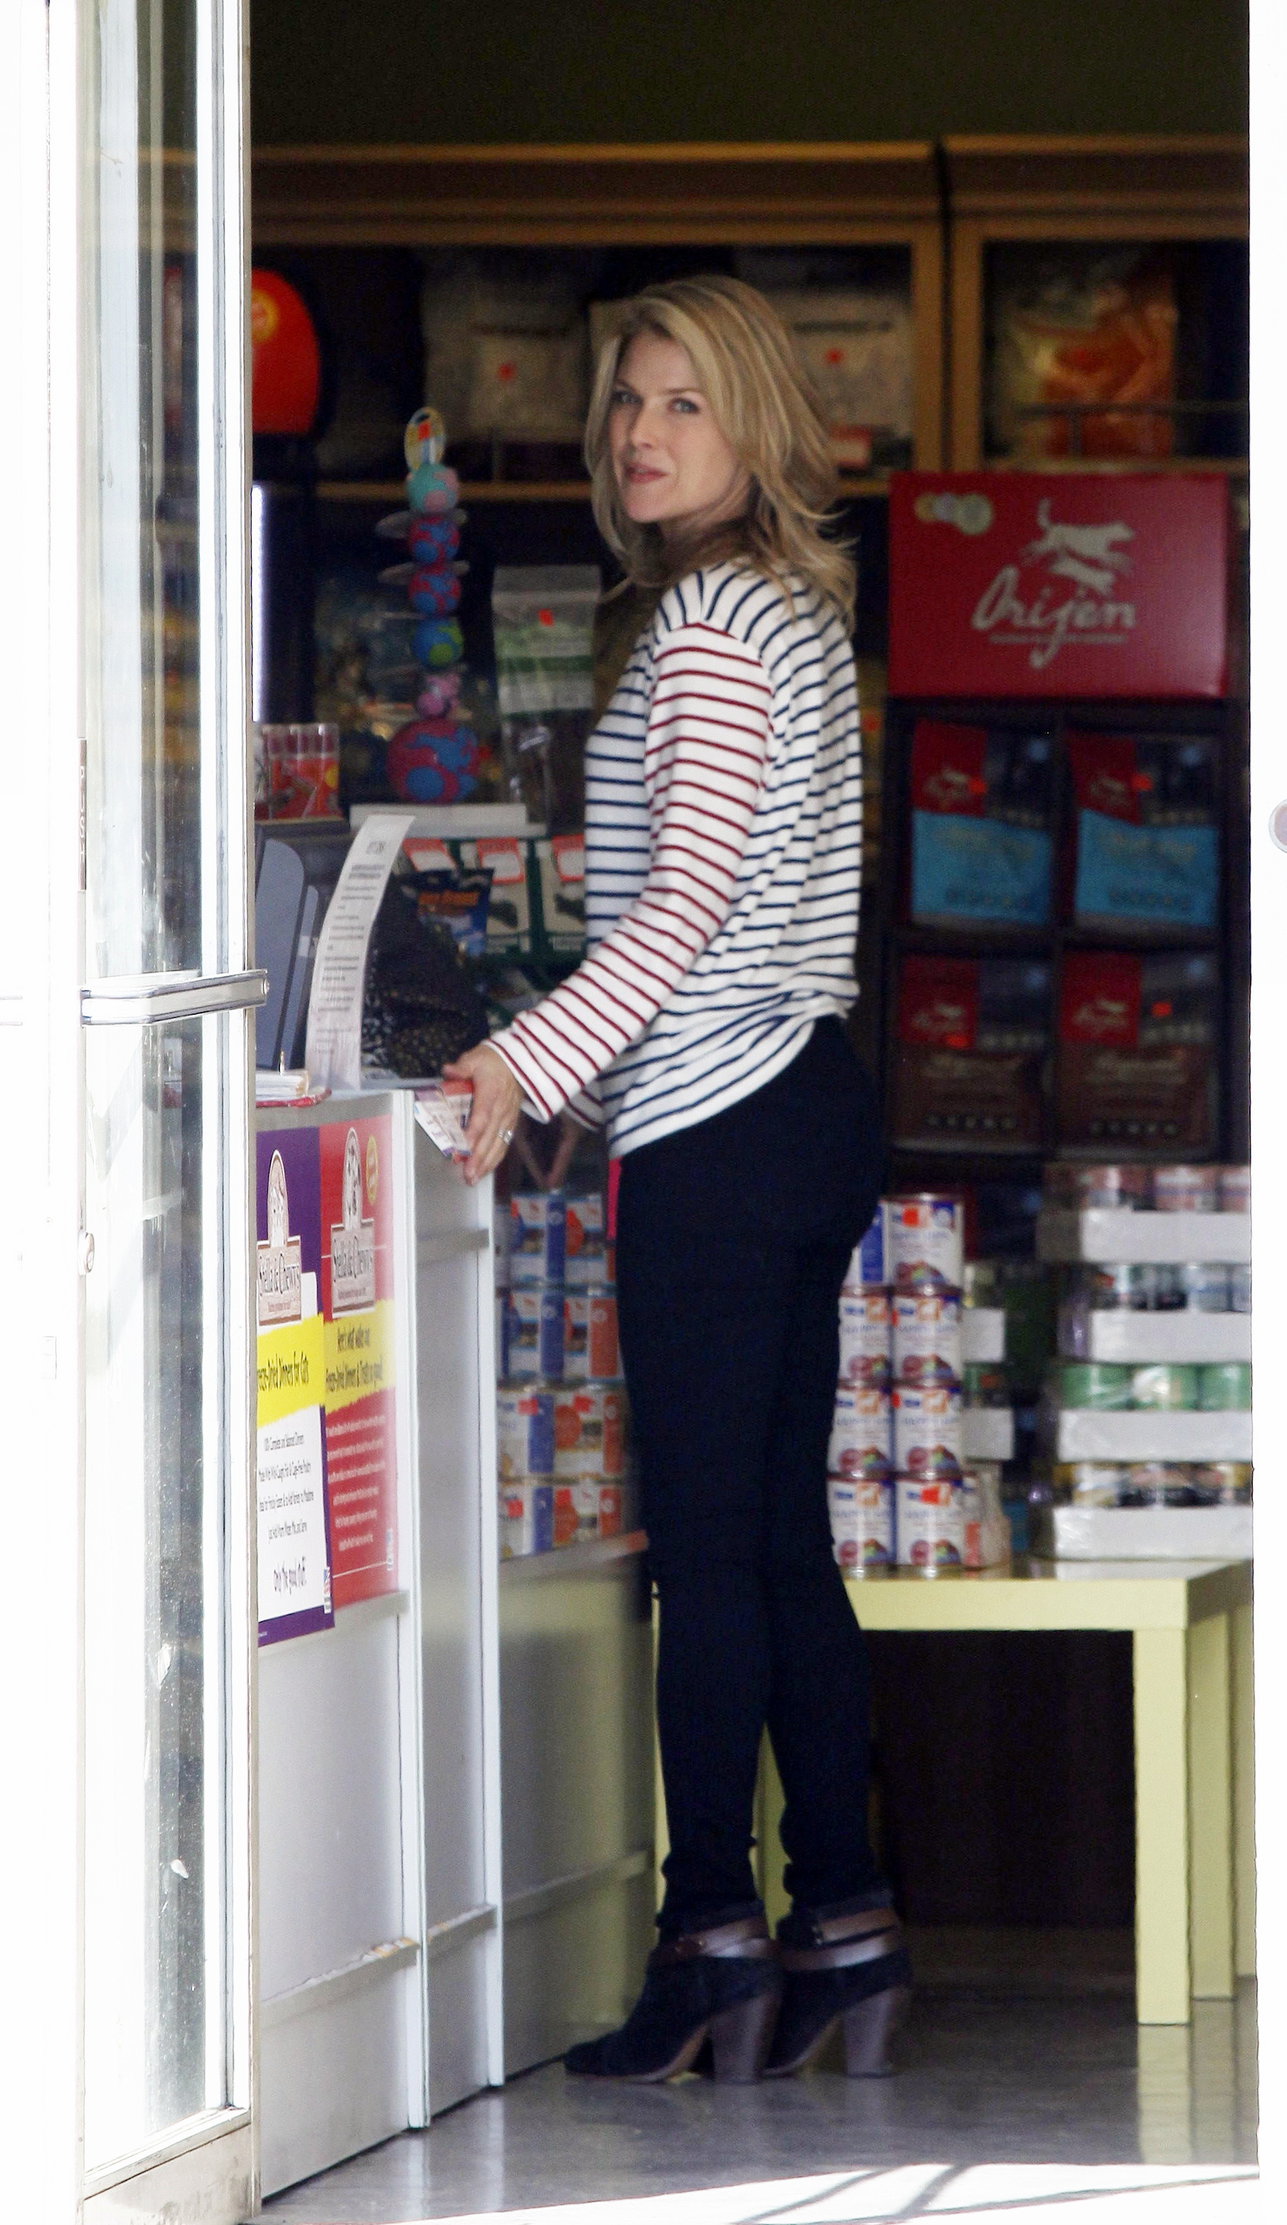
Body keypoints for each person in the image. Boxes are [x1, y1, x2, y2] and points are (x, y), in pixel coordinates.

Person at [447, 275, 910, 2083]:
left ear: (758, 424)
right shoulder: (797, 612)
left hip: (721, 1125)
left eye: (684, 403)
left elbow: (682, 908)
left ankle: (710, 1939)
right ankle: (845, 1923)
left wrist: (523, 1059)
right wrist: (594, 1090)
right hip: (802, 1096)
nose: (642, 432)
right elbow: (748, 920)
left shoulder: (709, 623)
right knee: (785, 1543)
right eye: (628, 400)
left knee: (704, 1555)